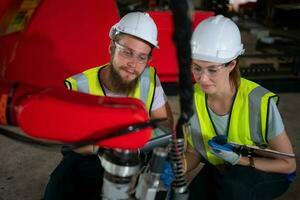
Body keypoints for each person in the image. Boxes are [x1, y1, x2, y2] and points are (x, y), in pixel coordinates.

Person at [44, 11, 173, 200]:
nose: (133, 64)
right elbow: (73, 141)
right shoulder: (78, 86)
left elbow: (164, 123)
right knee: (57, 192)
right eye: (127, 52)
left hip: (134, 156)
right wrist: (111, 146)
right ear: (112, 47)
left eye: (141, 57)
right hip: (87, 159)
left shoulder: (149, 79)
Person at [184, 15, 296, 200]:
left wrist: (241, 160)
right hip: (224, 168)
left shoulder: (257, 101)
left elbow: (288, 164)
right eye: (196, 68)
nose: (202, 78)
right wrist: (178, 166)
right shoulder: (191, 99)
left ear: (232, 64)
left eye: (212, 69)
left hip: (268, 171)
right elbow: (193, 152)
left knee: (233, 190)